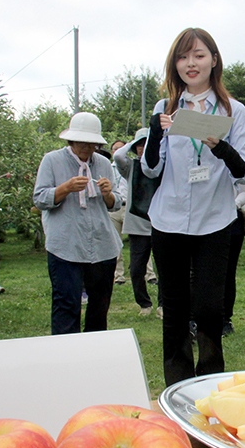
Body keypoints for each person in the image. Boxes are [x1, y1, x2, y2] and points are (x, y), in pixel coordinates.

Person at [141, 27, 245, 386]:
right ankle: (176, 387)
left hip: (214, 221)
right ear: (175, 64)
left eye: (199, 55)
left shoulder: (234, 111)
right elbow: (150, 168)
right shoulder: (165, 107)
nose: (191, 63)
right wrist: (156, 134)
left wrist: (221, 147)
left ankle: (208, 386)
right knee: (174, 311)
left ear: (214, 60)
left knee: (209, 308)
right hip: (168, 220)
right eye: (183, 56)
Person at [33, 112, 123, 334]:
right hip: (66, 246)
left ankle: (94, 353)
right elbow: (40, 198)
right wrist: (65, 188)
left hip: (102, 246)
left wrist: (108, 194)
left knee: (99, 307)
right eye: (82, 142)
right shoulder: (52, 160)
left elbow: (115, 203)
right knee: (67, 304)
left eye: (92, 144)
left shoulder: (102, 163)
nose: (87, 148)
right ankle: (66, 356)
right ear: (71, 140)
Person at [113, 128, 163, 318]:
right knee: (136, 269)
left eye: (147, 144)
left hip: (160, 225)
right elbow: (118, 155)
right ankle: (144, 303)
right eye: (140, 145)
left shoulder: (162, 166)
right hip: (137, 225)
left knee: (163, 268)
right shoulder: (131, 167)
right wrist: (134, 144)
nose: (143, 148)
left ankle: (162, 305)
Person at [223, 182, 245, 335]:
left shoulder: (240, 159)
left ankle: (225, 319)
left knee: (228, 272)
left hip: (233, 222)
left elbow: (244, 193)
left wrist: (230, 206)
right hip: (205, 220)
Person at [107, 139, 128, 285]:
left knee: (140, 243)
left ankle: (149, 275)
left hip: (129, 207)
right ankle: (118, 275)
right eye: (115, 149)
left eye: (121, 149)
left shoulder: (130, 166)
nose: (117, 151)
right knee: (115, 243)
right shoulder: (107, 168)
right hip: (113, 208)